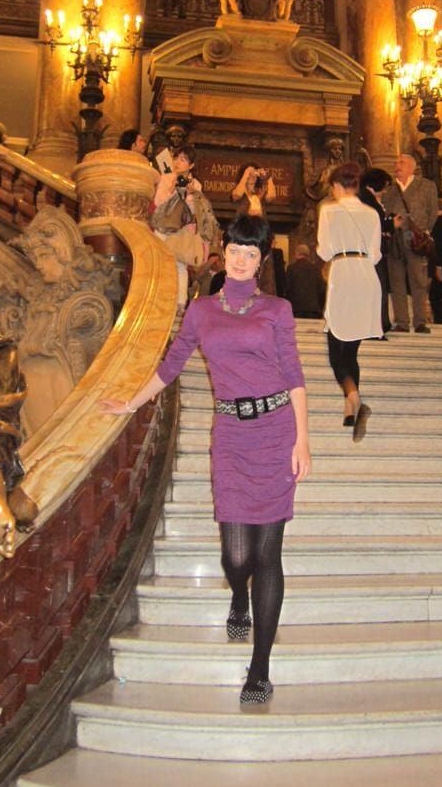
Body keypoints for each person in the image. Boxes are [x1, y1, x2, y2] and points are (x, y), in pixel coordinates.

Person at [100, 214, 311, 704]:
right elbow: (172, 364)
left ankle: (259, 667)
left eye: (250, 253)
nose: (240, 259)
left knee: (268, 554)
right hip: (232, 437)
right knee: (237, 557)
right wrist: (131, 401)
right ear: (224, 253)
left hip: (276, 431)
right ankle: (239, 594)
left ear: (261, 262)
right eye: (235, 250)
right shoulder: (200, 312)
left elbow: (294, 374)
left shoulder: (277, 309)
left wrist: (303, 439)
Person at [317, 164, 382, 440]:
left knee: (335, 348)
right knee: (351, 348)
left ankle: (353, 396)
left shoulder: (329, 210)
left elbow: (324, 250)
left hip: (342, 273)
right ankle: (350, 403)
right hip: (367, 275)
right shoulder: (371, 213)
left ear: (338, 186)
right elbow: (377, 254)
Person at [150, 144, 219, 308]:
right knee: (159, 262)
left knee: (180, 265)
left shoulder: (196, 185)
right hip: (163, 227)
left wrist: (190, 195)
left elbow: (196, 211)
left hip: (182, 230)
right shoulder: (167, 177)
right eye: (176, 158)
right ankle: (159, 300)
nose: (178, 162)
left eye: (183, 160)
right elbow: (158, 202)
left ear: (191, 165)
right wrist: (172, 189)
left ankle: (180, 303)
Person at [381, 154, 439, 333]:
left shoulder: (427, 186)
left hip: (416, 239)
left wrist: (423, 231)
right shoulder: (389, 190)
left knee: (418, 281)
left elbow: (433, 212)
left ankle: (420, 321)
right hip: (394, 241)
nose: (397, 166)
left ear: (412, 167)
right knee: (396, 281)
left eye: (402, 163)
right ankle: (402, 322)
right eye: (396, 163)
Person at [358, 166, 394, 334]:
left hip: (370, 250)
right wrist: (392, 224)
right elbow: (374, 223)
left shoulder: (366, 198)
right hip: (371, 252)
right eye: (385, 186)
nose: (385, 191)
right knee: (378, 287)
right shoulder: (367, 200)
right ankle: (379, 324)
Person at [231, 164, 278, 293]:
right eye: (249, 175)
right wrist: (246, 173)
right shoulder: (240, 192)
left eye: (253, 175)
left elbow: (272, 196)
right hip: (244, 236)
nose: (252, 177)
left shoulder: (260, 193)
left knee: (263, 267)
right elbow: (236, 194)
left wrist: (267, 177)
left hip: (260, 236)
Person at [285, 244, 326, 319]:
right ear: (308, 255)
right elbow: (322, 290)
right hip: (313, 310)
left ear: (296, 253)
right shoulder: (316, 269)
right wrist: (319, 307)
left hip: (296, 309)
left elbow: (287, 289)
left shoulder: (291, 268)